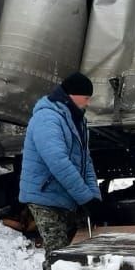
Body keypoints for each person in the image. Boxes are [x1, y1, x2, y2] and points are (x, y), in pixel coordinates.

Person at [19, 71, 102, 254]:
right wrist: (85, 198)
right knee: (57, 254)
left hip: (63, 196)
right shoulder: (47, 118)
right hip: (45, 197)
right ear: (72, 95)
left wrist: (94, 198)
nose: (88, 103)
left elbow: (85, 163)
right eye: (86, 98)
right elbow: (58, 163)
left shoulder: (77, 120)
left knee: (69, 254)